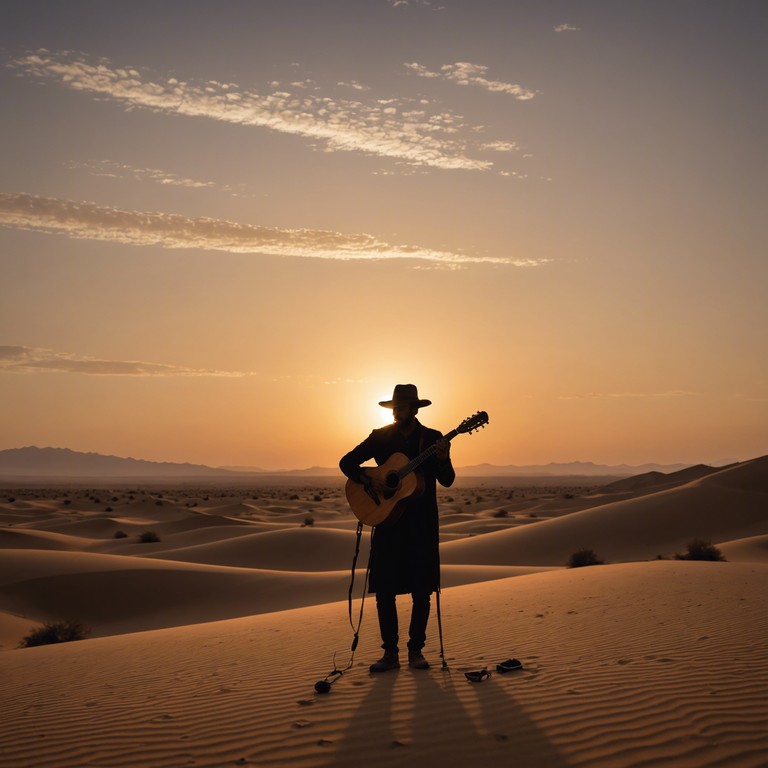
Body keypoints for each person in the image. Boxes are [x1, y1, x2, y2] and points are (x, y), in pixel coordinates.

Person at [339, 384, 455, 672]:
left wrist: (443, 459)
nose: (396, 412)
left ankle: (416, 651)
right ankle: (389, 654)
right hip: (388, 524)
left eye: (400, 407)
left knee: (422, 590)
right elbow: (347, 462)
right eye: (394, 407)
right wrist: (370, 478)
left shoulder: (432, 438)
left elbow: (448, 480)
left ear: (414, 409)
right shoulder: (381, 437)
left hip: (421, 526)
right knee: (385, 590)